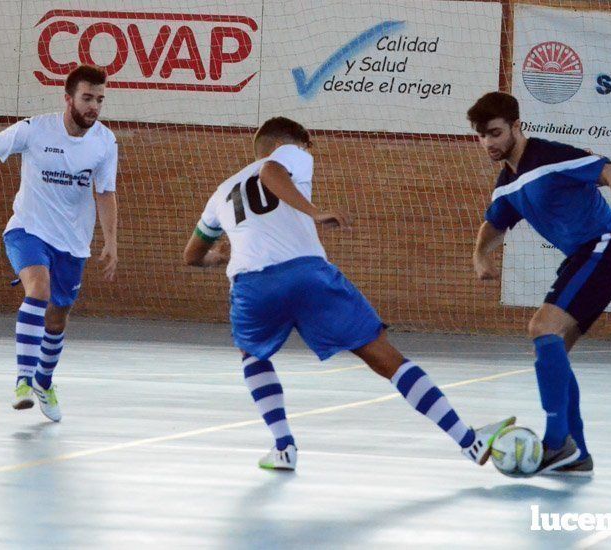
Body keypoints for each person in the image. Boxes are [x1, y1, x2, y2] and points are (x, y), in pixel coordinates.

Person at [184, 116, 513, 471]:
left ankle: (283, 447)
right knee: (384, 357)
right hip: (305, 272)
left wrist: (216, 257)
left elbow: (191, 255)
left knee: (253, 357)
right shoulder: (290, 154)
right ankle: (468, 441)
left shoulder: (221, 191)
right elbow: (270, 174)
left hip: (252, 285)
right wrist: (315, 212)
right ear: (290, 143)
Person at [468, 92, 611, 476]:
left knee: (542, 327)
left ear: (517, 126)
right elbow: (495, 222)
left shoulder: (550, 155)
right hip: (585, 256)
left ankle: (556, 443)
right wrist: (480, 256)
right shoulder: (507, 184)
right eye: (483, 136)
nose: (489, 143)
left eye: (496, 133)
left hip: (607, 246)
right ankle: (577, 453)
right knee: (554, 350)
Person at [0, 65, 119, 422]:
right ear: (68, 99)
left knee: (58, 317)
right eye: (87, 98)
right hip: (28, 230)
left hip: (73, 242)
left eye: (99, 100)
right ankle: (22, 380)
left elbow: (106, 193)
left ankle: (44, 381)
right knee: (38, 289)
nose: (94, 106)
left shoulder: (105, 142)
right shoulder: (34, 129)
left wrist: (111, 239)